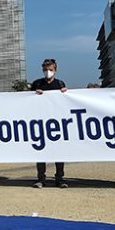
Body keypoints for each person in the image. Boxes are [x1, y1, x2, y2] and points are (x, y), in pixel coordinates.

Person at [31, 59, 69, 188]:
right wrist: (33, 94)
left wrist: (65, 94)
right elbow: (27, 100)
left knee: (59, 152)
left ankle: (60, 178)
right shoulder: (37, 83)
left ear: (55, 70)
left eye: (50, 70)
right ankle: (41, 178)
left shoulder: (60, 83)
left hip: (57, 123)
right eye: (45, 70)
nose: (48, 72)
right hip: (40, 123)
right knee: (41, 152)